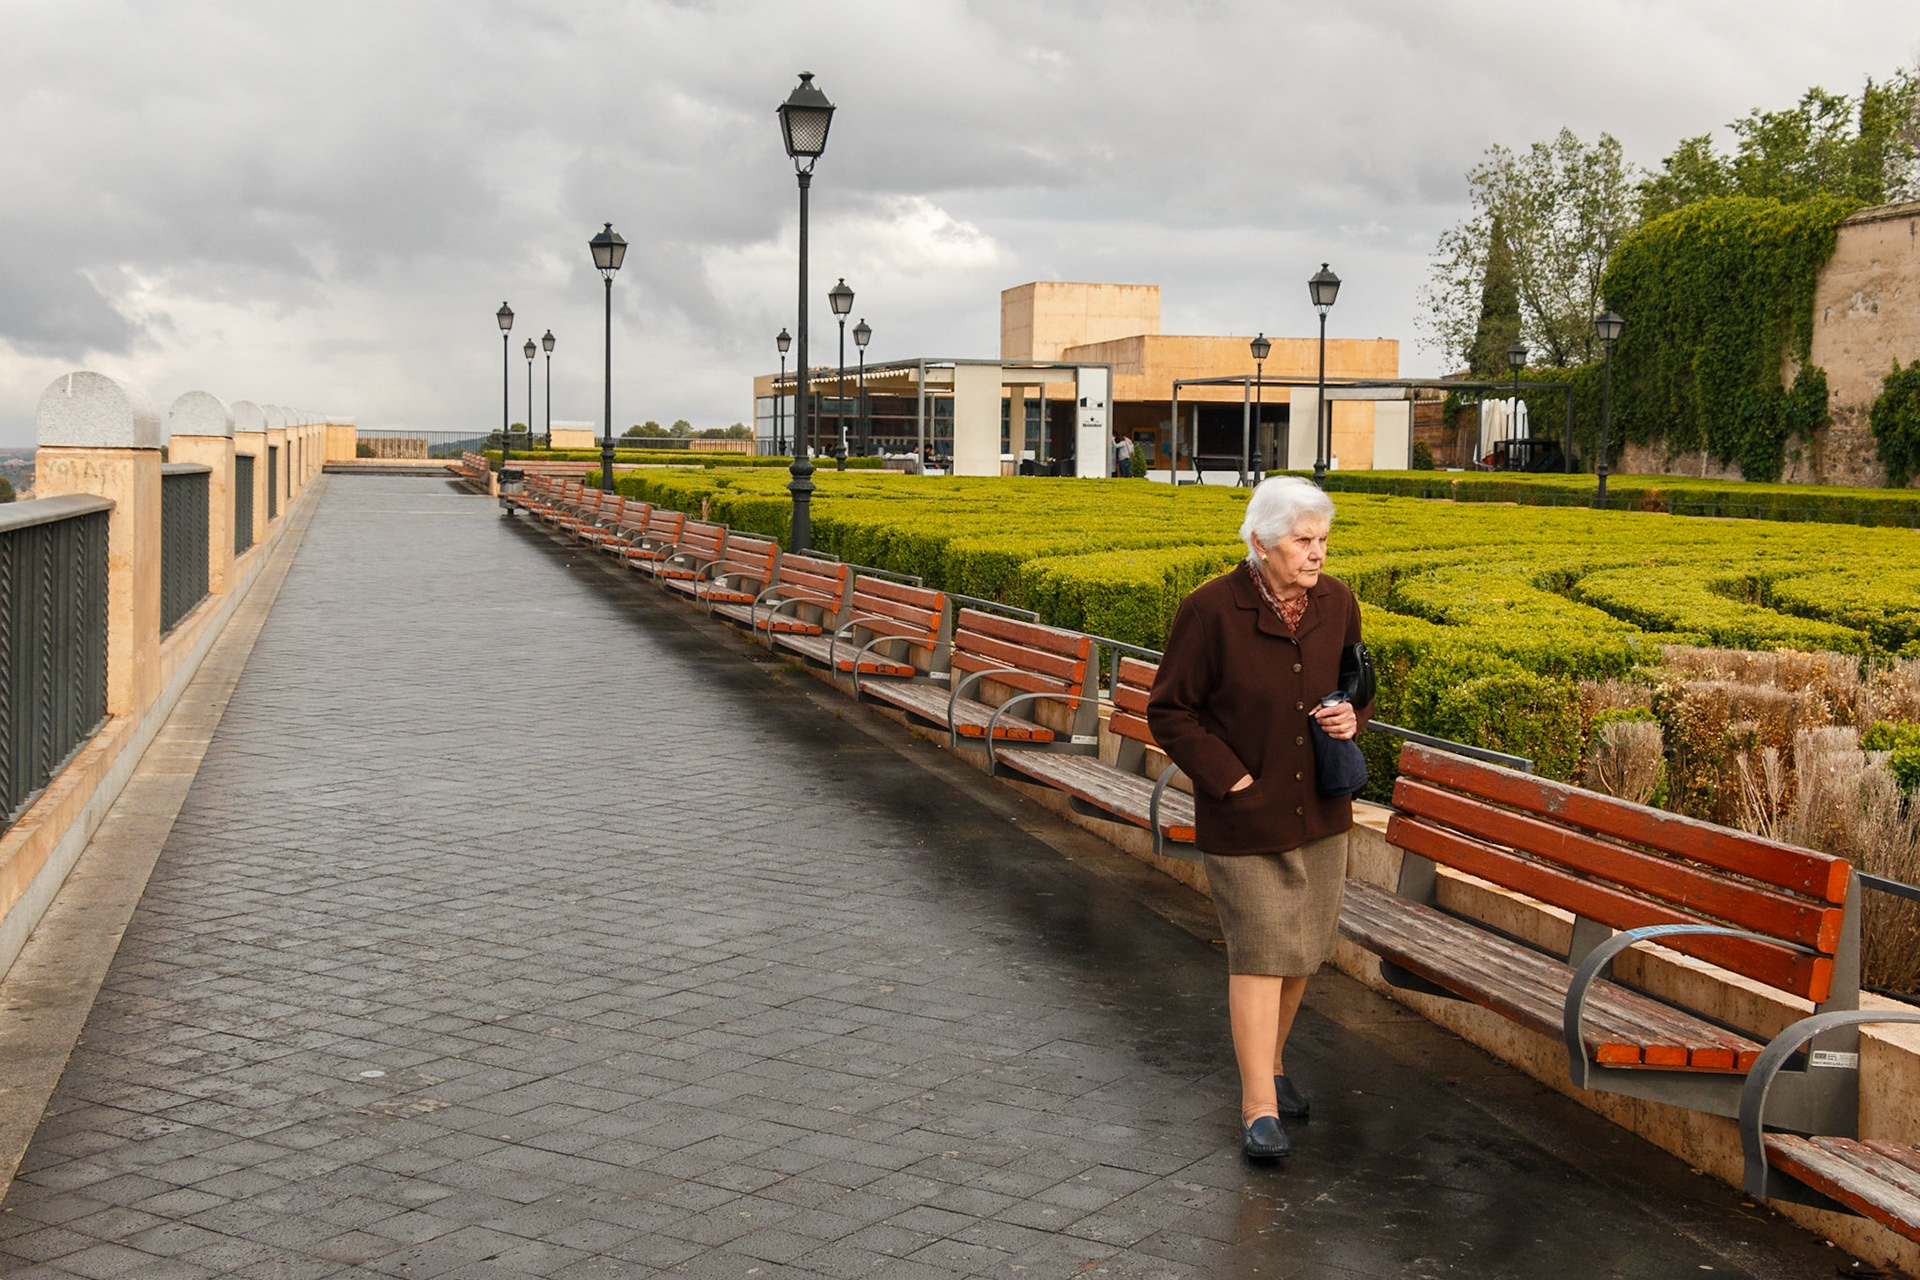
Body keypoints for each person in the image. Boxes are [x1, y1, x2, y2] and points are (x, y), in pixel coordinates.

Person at [1145, 475, 1368, 1161]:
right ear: (1260, 542)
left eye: (1322, 540)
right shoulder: (1210, 610)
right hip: (1244, 814)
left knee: (1303, 952)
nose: (1317, 554)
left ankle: (1271, 1063)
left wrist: (1352, 712)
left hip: (1320, 812)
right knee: (1261, 953)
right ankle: (1257, 1107)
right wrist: (1231, 778)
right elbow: (1169, 709)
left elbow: (1357, 678)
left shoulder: (1338, 603)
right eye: (1303, 541)